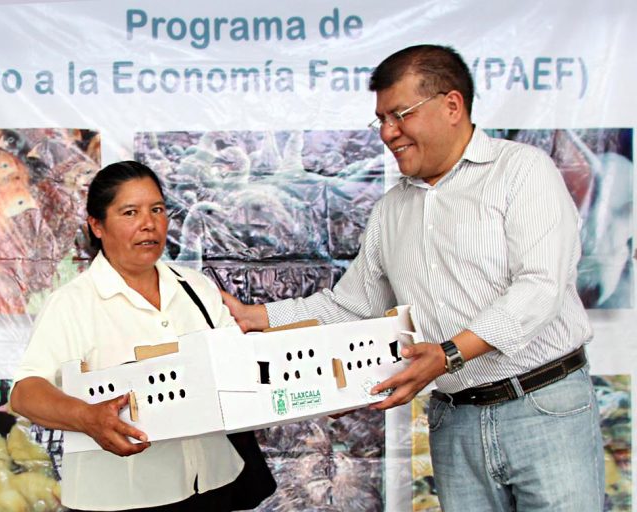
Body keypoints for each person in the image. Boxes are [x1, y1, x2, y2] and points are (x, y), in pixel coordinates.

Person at [223, 45, 604, 511]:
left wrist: (447, 355)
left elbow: (539, 288)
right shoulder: (391, 210)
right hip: (457, 420)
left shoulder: (522, 171)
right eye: (381, 120)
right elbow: (352, 305)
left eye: (400, 115)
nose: (388, 133)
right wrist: (257, 317)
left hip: (544, 405)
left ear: (452, 105)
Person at [10, 161, 275, 511]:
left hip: (213, 482)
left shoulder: (195, 287)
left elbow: (239, 362)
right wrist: (87, 417)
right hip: (124, 498)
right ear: (97, 225)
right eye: (130, 212)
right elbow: (25, 394)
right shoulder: (74, 303)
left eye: (157, 210)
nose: (148, 224)